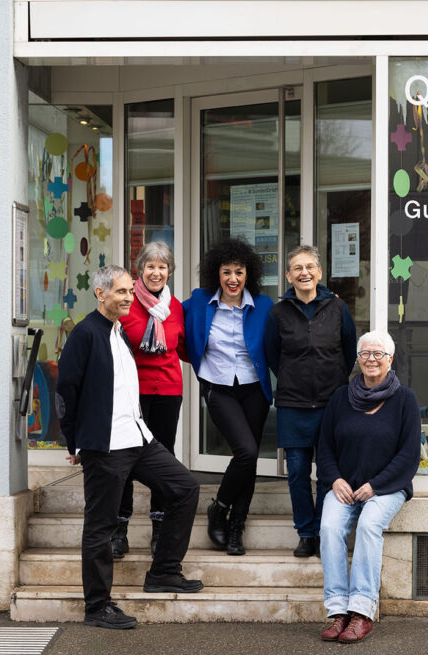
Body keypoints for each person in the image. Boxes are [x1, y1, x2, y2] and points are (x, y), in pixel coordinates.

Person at [56, 264, 203, 630]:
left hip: (139, 438)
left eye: (128, 291)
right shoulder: (85, 334)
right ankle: (97, 607)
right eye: (120, 292)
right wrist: (74, 441)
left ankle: (165, 571)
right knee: (101, 525)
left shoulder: (119, 332)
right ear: (101, 293)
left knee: (185, 488)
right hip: (106, 446)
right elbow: (66, 392)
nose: (127, 298)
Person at [316, 330, 420, 644]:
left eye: (378, 354)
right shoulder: (340, 397)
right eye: (365, 354)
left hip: (387, 487)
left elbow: (409, 454)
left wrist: (376, 485)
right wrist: (335, 479)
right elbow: (325, 447)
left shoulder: (404, 399)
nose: (371, 359)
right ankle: (337, 612)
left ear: (390, 359)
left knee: (369, 525)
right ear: (358, 359)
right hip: (345, 486)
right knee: (330, 526)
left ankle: (362, 612)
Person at [182, 238, 273, 556]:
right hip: (218, 387)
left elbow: (280, 342)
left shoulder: (263, 305)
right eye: (226, 272)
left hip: (254, 389)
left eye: (239, 271)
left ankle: (236, 527)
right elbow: (172, 328)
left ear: (249, 273)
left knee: (248, 461)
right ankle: (219, 507)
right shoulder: (198, 302)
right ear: (215, 274)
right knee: (246, 452)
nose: (233, 279)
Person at [264, 245, 356, 558]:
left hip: (332, 404)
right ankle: (307, 533)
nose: (304, 273)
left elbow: (348, 350)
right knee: (298, 472)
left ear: (318, 272)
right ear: (289, 275)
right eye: (297, 268)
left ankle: (326, 529)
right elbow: (272, 355)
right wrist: (293, 377)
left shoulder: (337, 308)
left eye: (309, 267)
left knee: (329, 473)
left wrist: (334, 381)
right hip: (293, 404)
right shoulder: (278, 313)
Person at [113, 242, 186, 559]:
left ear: (169, 272)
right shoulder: (126, 304)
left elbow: (184, 348)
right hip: (133, 392)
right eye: (151, 266)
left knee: (163, 461)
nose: (157, 272)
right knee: (126, 459)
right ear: (139, 270)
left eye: (163, 267)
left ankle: (159, 528)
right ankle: (119, 530)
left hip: (168, 391)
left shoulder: (177, 308)